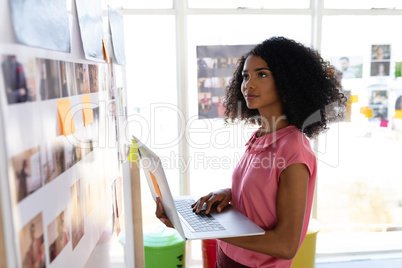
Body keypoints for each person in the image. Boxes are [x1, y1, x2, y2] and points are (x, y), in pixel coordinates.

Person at [155, 36, 346, 267]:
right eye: (246, 76)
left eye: (261, 74)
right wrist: (230, 193)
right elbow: (264, 193)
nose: (248, 84)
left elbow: (286, 246)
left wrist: (200, 229)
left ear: (288, 82)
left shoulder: (293, 149)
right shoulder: (261, 136)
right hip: (226, 257)